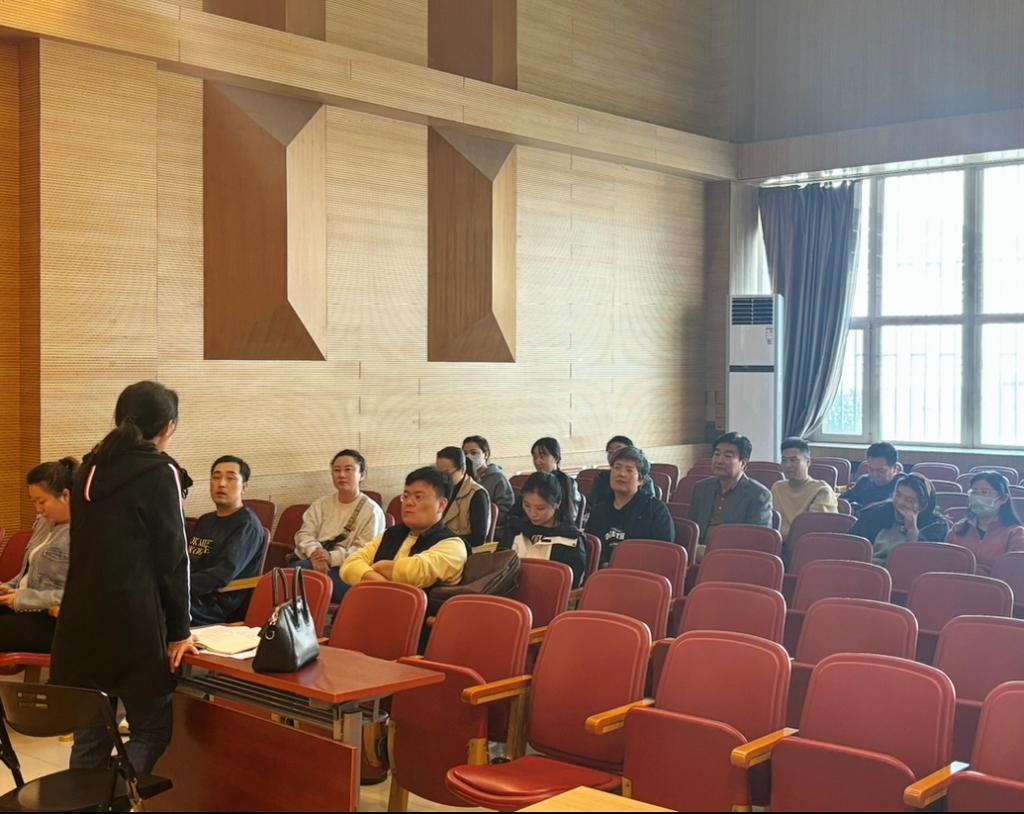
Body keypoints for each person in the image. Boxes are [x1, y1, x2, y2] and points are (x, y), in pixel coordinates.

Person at [50, 380, 196, 775]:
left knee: (91, 737)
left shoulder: (88, 468)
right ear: (168, 427)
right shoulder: (161, 471)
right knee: (152, 730)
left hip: (81, 620)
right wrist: (180, 632)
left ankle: (87, 800)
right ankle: (113, 796)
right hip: (134, 624)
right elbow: (173, 559)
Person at [341, 467, 468, 589]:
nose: (409, 502)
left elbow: (414, 573)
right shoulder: (391, 534)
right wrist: (380, 580)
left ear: (441, 505)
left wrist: (368, 571)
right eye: (406, 496)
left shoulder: (453, 545)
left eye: (418, 497)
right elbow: (350, 564)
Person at [0, 458, 77, 652]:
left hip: (53, 622)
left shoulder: (82, 534)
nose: (38, 509)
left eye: (42, 502)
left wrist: (22, 599)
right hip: (24, 609)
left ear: (66, 495)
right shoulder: (44, 523)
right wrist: (8, 588)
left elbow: (76, 596)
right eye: (34, 502)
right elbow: (27, 573)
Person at [294, 449, 387, 603]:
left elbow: (366, 551)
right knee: (286, 579)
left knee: (295, 582)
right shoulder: (321, 504)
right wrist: (315, 553)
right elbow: (304, 534)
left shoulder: (372, 511)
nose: (341, 475)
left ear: (362, 475)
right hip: (312, 562)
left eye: (348, 470)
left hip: (347, 570)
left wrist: (331, 557)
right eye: (336, 470)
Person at [188, 456, 266, 626]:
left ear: (244, 487)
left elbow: (222, 574)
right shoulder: (205, 520)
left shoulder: (247, 525)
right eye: (216, 477)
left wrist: (177, 586)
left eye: (230, 478)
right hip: (192, 593)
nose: (221, 484)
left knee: (155, 607)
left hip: (217, 604)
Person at [584, 446, 675, 564]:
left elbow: (663, 554)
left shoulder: (656, 510)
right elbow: (589, 551)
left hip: (639, 571)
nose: (621, 473)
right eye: (617, 468)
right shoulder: (599, 510)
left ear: (641, 480)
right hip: (602, 572)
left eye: (629, 470)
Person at [499, 471, 587, 588]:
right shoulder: (515, 530)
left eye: (540, 508)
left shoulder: (570, 541)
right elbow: (497, 571)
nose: (532, 513)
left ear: (557, 504)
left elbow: (571, 585)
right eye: (527, 505)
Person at [689, 432, 773, 549]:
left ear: (743, 463)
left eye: (728, 456)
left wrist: (713, 553)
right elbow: (691, 529)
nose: (719, 460)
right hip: (698, 553)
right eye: (716, 454)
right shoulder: (701, 488)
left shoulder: (759, 495)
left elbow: (757, 540)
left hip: (734, 555)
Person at [850, 473, 949, 567]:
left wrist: (912, 529)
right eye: (898, 495)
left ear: (923, 506)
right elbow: (854, 545)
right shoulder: (875, 513)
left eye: (909, 500)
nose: (900, 502)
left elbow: (925, 561)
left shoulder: (936, 526)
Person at [947, 471, 1024, 575]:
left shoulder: (1016, 534)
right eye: (974, 492)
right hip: (957, 583)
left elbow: (1014, 572)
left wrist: (971, 569)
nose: (978, 498)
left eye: (984, 492)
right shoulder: (958, 529)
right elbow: (947, 563)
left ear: (1003, 499)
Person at [772, 437, 838, 539]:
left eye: (794, 460)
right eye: (784, 460)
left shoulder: (822, 490)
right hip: (778, 543)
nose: (788, 465)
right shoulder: (777, 488)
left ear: (808, 462)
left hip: (808, 544)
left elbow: (816, 530)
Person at [435, 446, 491, 549]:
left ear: (462, 470)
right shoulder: (437, 491)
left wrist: (443, 541)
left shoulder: (476, 494)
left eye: (447, 474)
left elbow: (478, 539)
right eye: (438, 474)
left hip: (462, 551)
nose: (442, 479)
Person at [587, 435, 657, 509]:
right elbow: (592, 504)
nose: (614, 454)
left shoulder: (644, 479)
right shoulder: (602, 478)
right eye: (610, 452)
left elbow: (648, 505)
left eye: (619, 450)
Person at [462, 435, 515, 531]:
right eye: (465, 454)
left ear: (486, 454)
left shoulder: (498, 478)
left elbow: (506, 510)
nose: (468, 457)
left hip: (492, 529)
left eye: (474, 453)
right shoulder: (464, 478)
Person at [845, 442, 901, 510]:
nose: (875, 475)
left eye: (881, 471)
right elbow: (844, 499)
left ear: (895, 469)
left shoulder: (903, 489)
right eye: (871, 469)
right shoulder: (864, 481)